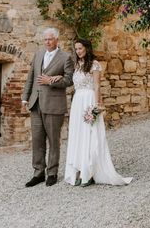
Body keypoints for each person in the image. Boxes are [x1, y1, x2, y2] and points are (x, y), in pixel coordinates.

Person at [63, 38, 132, 186]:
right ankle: (80, 170)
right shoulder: (77, 65)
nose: (78, 51)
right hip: (77, 102)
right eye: (76, 49)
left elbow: (97, 86)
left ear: (87, 48)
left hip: (89, 100)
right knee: (79, 135)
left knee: (90, 133)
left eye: (80, 48)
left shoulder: (94, 64)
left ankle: (89, 172)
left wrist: (96, 106)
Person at [22, 27, 73, 187]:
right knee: (37, 141)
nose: (47, 42)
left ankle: (52, 173)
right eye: (45, 39)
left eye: (50, 39)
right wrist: (25, 98)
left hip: (53, 105)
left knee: (53, 140)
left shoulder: (66, 58)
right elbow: (31, 77)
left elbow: (69, 80)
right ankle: (38, 173)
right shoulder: (38, 54)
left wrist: (50, 80)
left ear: (57, 40)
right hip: (35, 103)